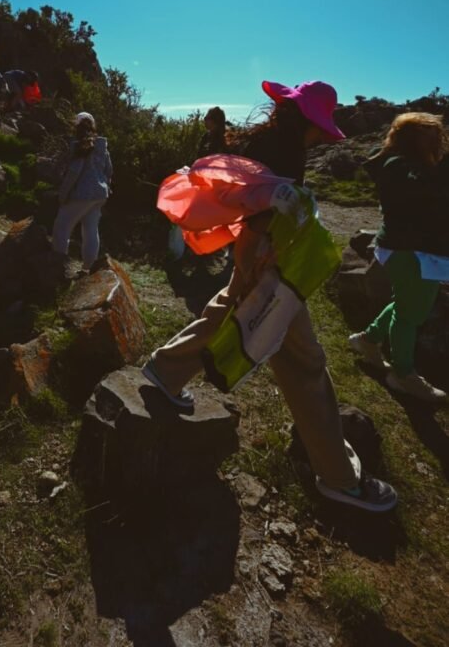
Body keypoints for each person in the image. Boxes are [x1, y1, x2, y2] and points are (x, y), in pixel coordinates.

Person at [143, 80, 397, 513]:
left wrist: (245, 264)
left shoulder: (265, 141)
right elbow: (263, 217)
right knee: (305, 363)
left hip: (260, 257)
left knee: (231, 313)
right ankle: (338, 477)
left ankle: (165, 369)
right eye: (320, 126)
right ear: (309, 122)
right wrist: (252, 263)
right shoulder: (287, 152)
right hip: (271, 262)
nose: (322, 135)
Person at [348, 113, 449, 404]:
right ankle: (403, 374)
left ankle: (367, 341)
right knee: (410, 313)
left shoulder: (404, 164)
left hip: (414, 250)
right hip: (410, 250)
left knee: (406, 303)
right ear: (416, 138)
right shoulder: (399, 165)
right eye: (431, 135)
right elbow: (423, 195)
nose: (438, 140)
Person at [52, 112, 112, 272]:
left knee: (61, 228)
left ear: (76, 126)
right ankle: (88, 268)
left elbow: (74, 172)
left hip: (82, 194)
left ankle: (58, 268)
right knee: (90, 229)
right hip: (100, 194)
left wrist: (63, 194)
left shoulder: (77, 145)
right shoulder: (102, 147)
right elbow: (109, 171)